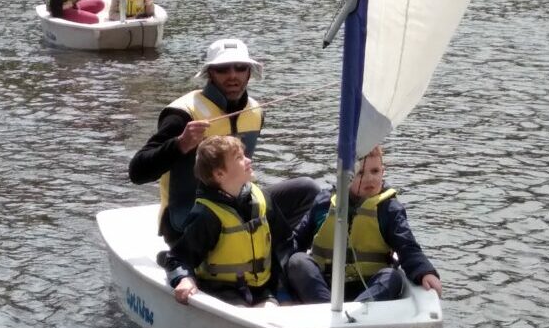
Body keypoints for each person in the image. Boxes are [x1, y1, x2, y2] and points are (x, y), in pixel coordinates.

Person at [129, 37, 320, 246]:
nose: (232, 75)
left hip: (239, 205)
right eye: (222, 69)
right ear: (210, 73)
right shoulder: (183, 114)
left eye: (240, 68)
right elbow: (137, 172)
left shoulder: (255, 112)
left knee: (308, 189)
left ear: (249, 72)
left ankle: (287, 253)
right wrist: (179, 144)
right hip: (189, 218)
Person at [286, 145, 442, 303]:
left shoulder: (389, 209)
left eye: (375, 171)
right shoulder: (323, 203)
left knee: (392, 276)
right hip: (324, 287)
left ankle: (355, 314)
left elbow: (407, 246)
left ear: (383, 171)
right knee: (298, 261)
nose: (369, 179)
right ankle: (328, 312)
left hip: (369, 287)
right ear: (345, 175)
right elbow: (297, 242)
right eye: (360, 173)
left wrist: (425, 272)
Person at [163, 135, 278, 306]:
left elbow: (283, 243)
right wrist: (184, 278)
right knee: (247, 316)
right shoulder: (206, 215)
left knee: (275, 310)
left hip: (261, 290)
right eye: (239, 157)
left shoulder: (261, 199)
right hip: (223, 292)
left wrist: (283, 288)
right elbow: (178, 258)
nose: (248, 160)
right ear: (219, 174)